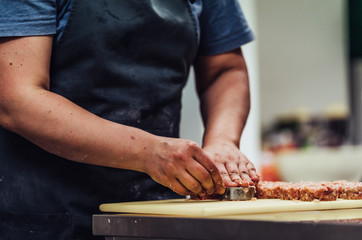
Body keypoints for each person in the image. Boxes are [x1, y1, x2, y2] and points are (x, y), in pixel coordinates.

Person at [0, 0, 259, 239]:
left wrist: (223, 140)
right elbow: (16, 99)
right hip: (47, 213)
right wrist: (147, 152)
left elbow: (225, 69)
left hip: (158, 210)